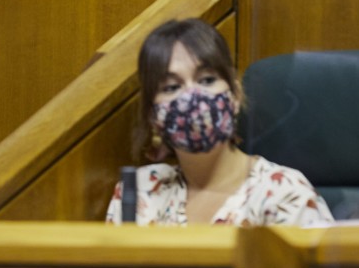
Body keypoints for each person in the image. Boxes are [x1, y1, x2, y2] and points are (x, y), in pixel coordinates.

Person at [105, 18, 333, 226]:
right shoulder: (141, 192)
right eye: (172, 87)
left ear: (235, 95)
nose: (192, 97)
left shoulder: (284, 193)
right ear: (153, 116)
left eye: (207, 80)